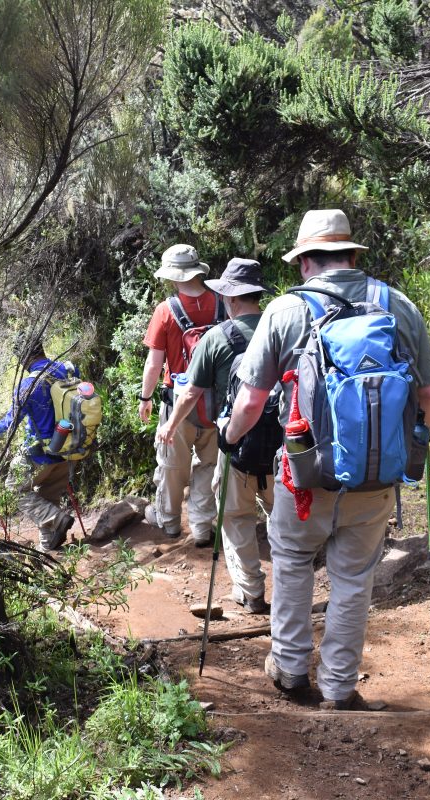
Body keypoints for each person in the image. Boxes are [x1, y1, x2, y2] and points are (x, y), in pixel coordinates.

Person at [222, 209, 430, 710]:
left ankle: (291, 672)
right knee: (353, 577)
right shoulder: (398, 305)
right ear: (352, 255)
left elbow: (251, 402)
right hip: (376, 478)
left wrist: (230, 439)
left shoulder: (285, 311)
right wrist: (412, 442)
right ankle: (341, 687)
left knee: (295, 561)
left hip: (304, 475)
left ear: (305, 263)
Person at [157, 258, 275, 613]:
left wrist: (171, 425)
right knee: (280, 514)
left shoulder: (217, 337)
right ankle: (291, 587)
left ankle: (250, 591)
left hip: (237, 440)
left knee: (236, 515)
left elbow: (190, 392)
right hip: (284, 442)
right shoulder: (280, 327)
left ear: (232, 299)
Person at [139, 243, 224, 542]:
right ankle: (202, 527)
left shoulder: (166, 311)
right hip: (218, 404)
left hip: (179, 402)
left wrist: (145, 398)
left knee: (172, 466)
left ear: (173, 275)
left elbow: (154, 363)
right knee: (209, 465)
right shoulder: (223, 302)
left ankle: (170, 522)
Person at [0, 332, 76, 551]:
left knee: (12, 489)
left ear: (24, 357)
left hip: (39, 455)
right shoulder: (68, 370)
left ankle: (57, 519)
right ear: (41, 348)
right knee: (48, 497)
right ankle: (50, 548)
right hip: (68, 452)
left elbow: (8, 424)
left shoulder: (28, 385)